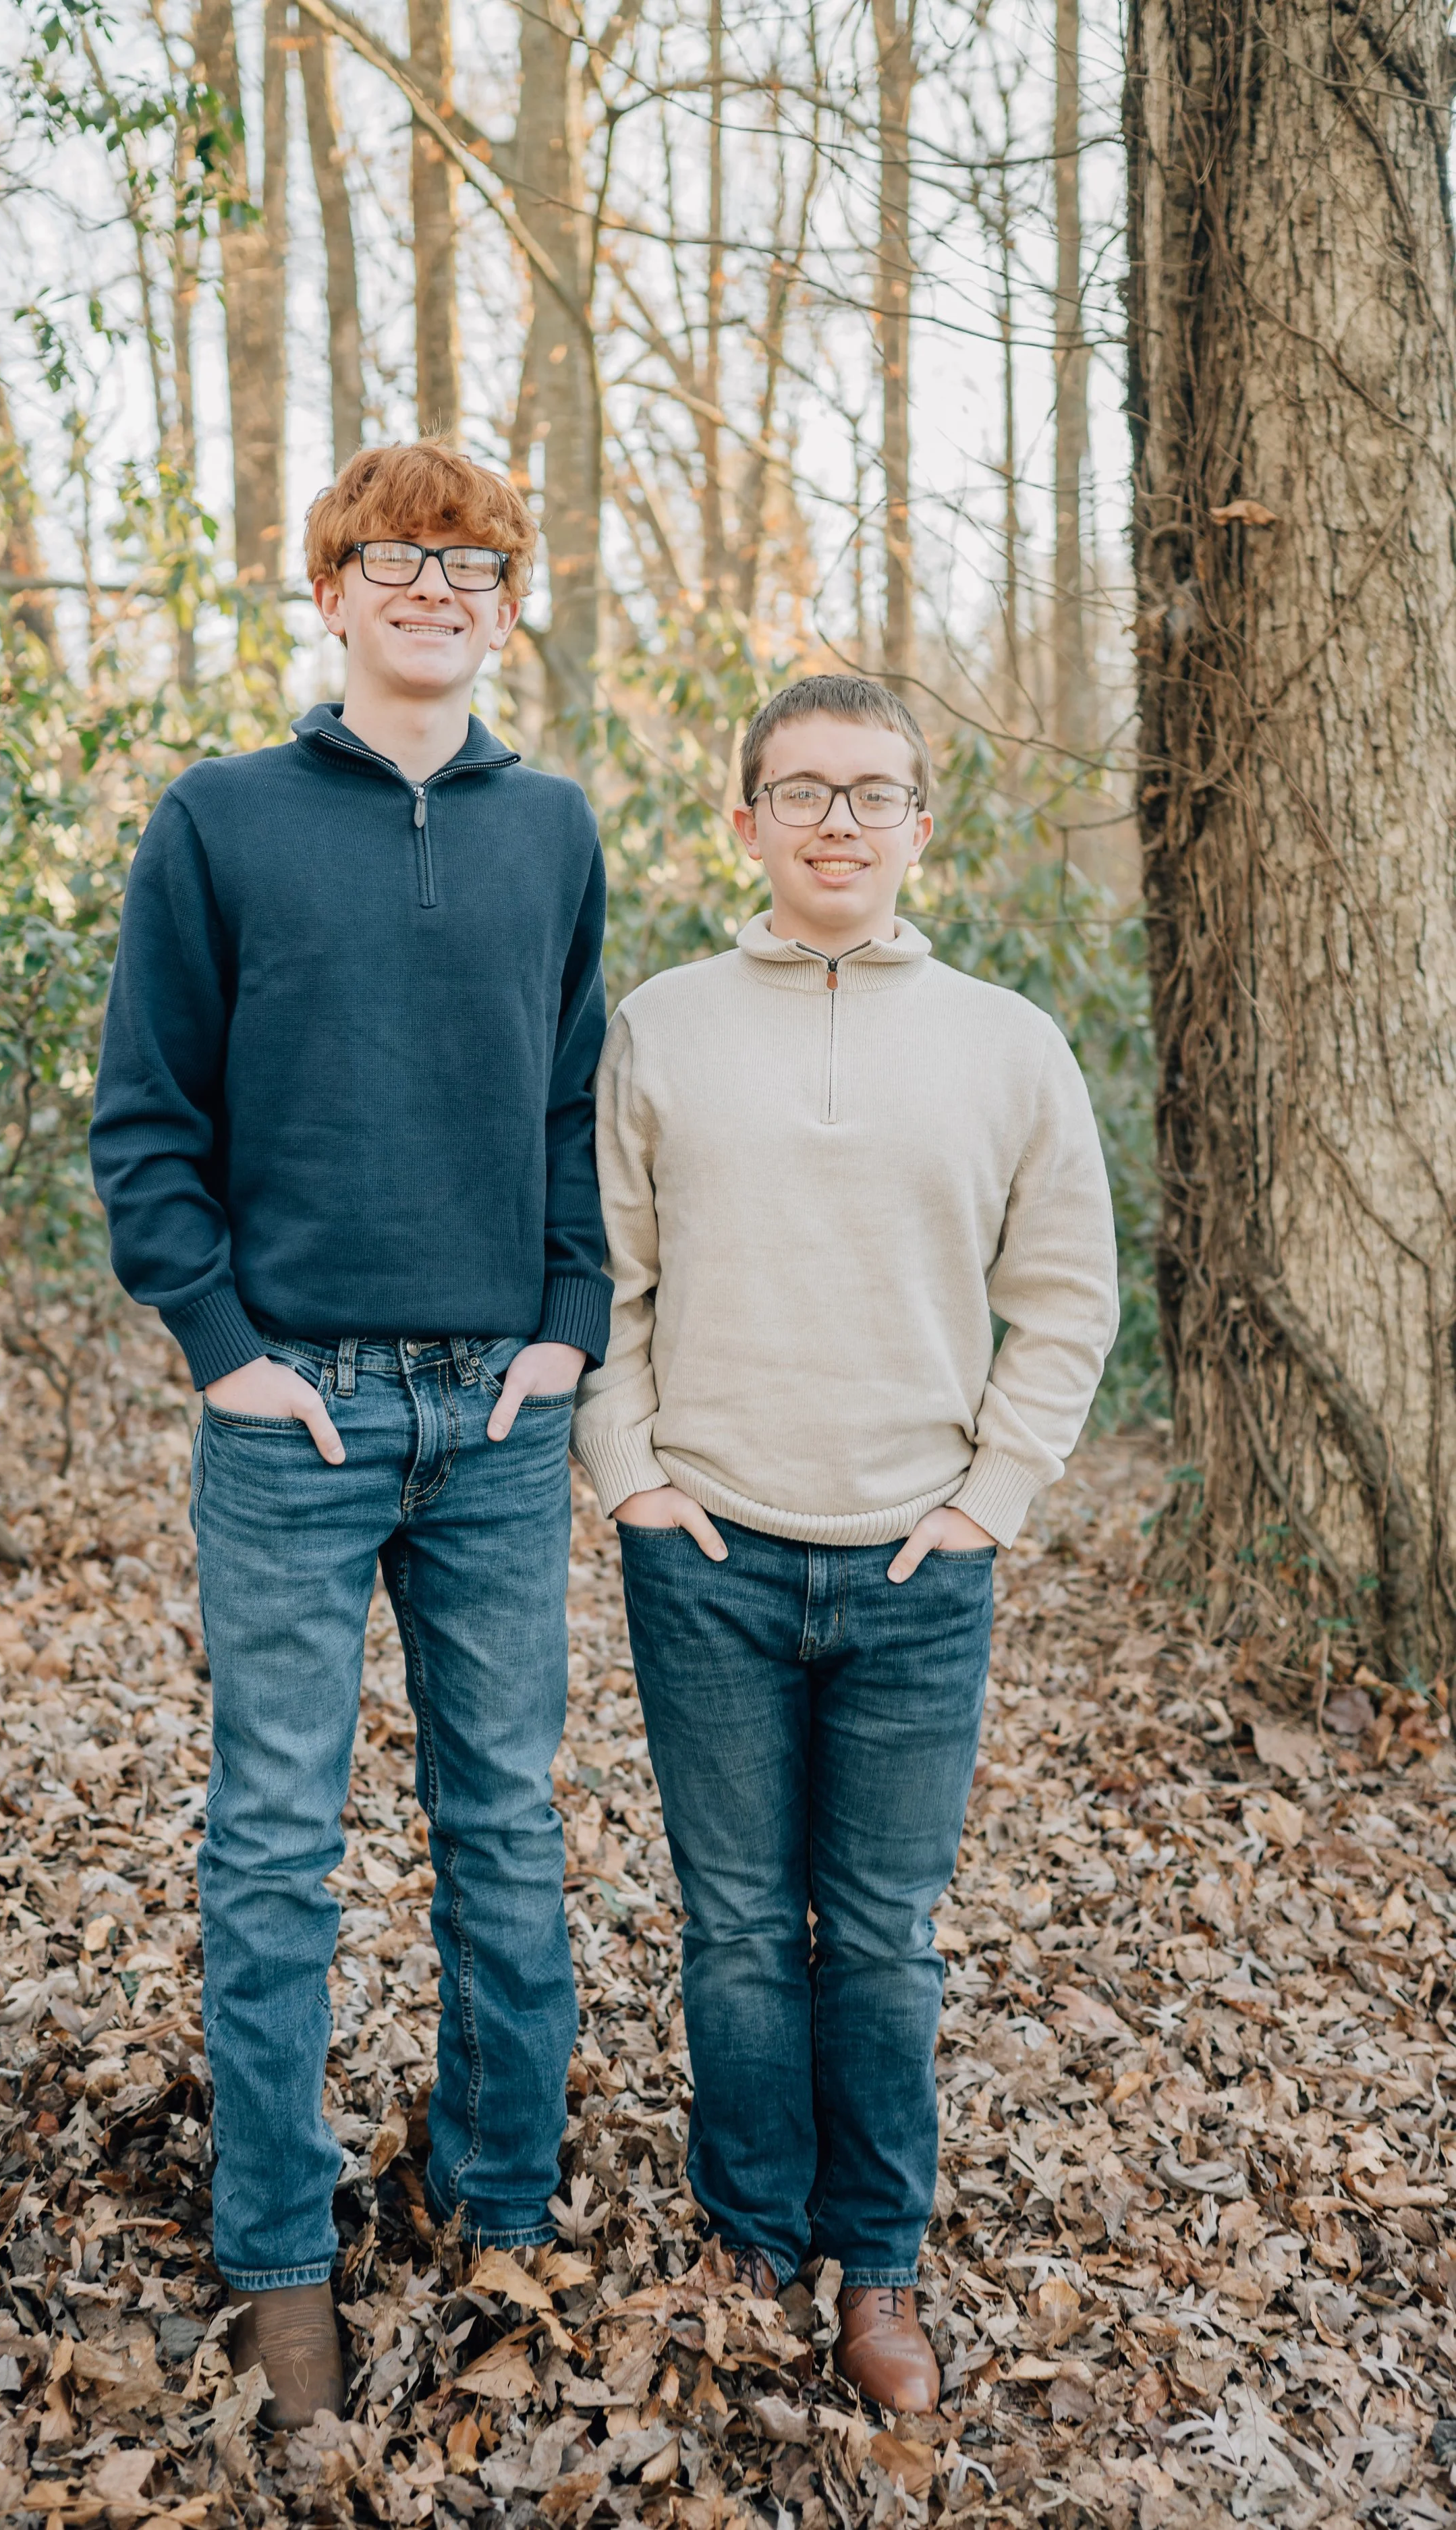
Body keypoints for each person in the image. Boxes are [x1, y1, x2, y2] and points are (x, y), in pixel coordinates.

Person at [90, 443, 611, 2426]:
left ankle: (498, 2217)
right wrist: (225, 1346)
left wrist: (566, 1329)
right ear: (327, 591)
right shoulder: (220, 823)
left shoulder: (550, 827)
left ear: (504, 601)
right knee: (278, 1847)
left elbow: (571, 1110)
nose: (434, 585)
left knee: (502, 1832)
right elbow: (147, 1120)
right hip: (292, 1411)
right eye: (393, 556)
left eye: (471, 561)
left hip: (493, 1413)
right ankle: (279, 2258)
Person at [571, 674, 1118, 2414]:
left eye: (872, 793)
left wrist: (985, 1507)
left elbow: (1066, 1306)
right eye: (801, 791)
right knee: (734, 1926)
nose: (837, 821)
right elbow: (607, 1282)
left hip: (913, 1568)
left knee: (880, 1939)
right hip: (711, 1548)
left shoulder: (1008, 1044)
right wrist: (635, 1480)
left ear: (918, 829)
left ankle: (876, 2265)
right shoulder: (659, 1028)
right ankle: (750, 2241)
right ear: (745, 822)